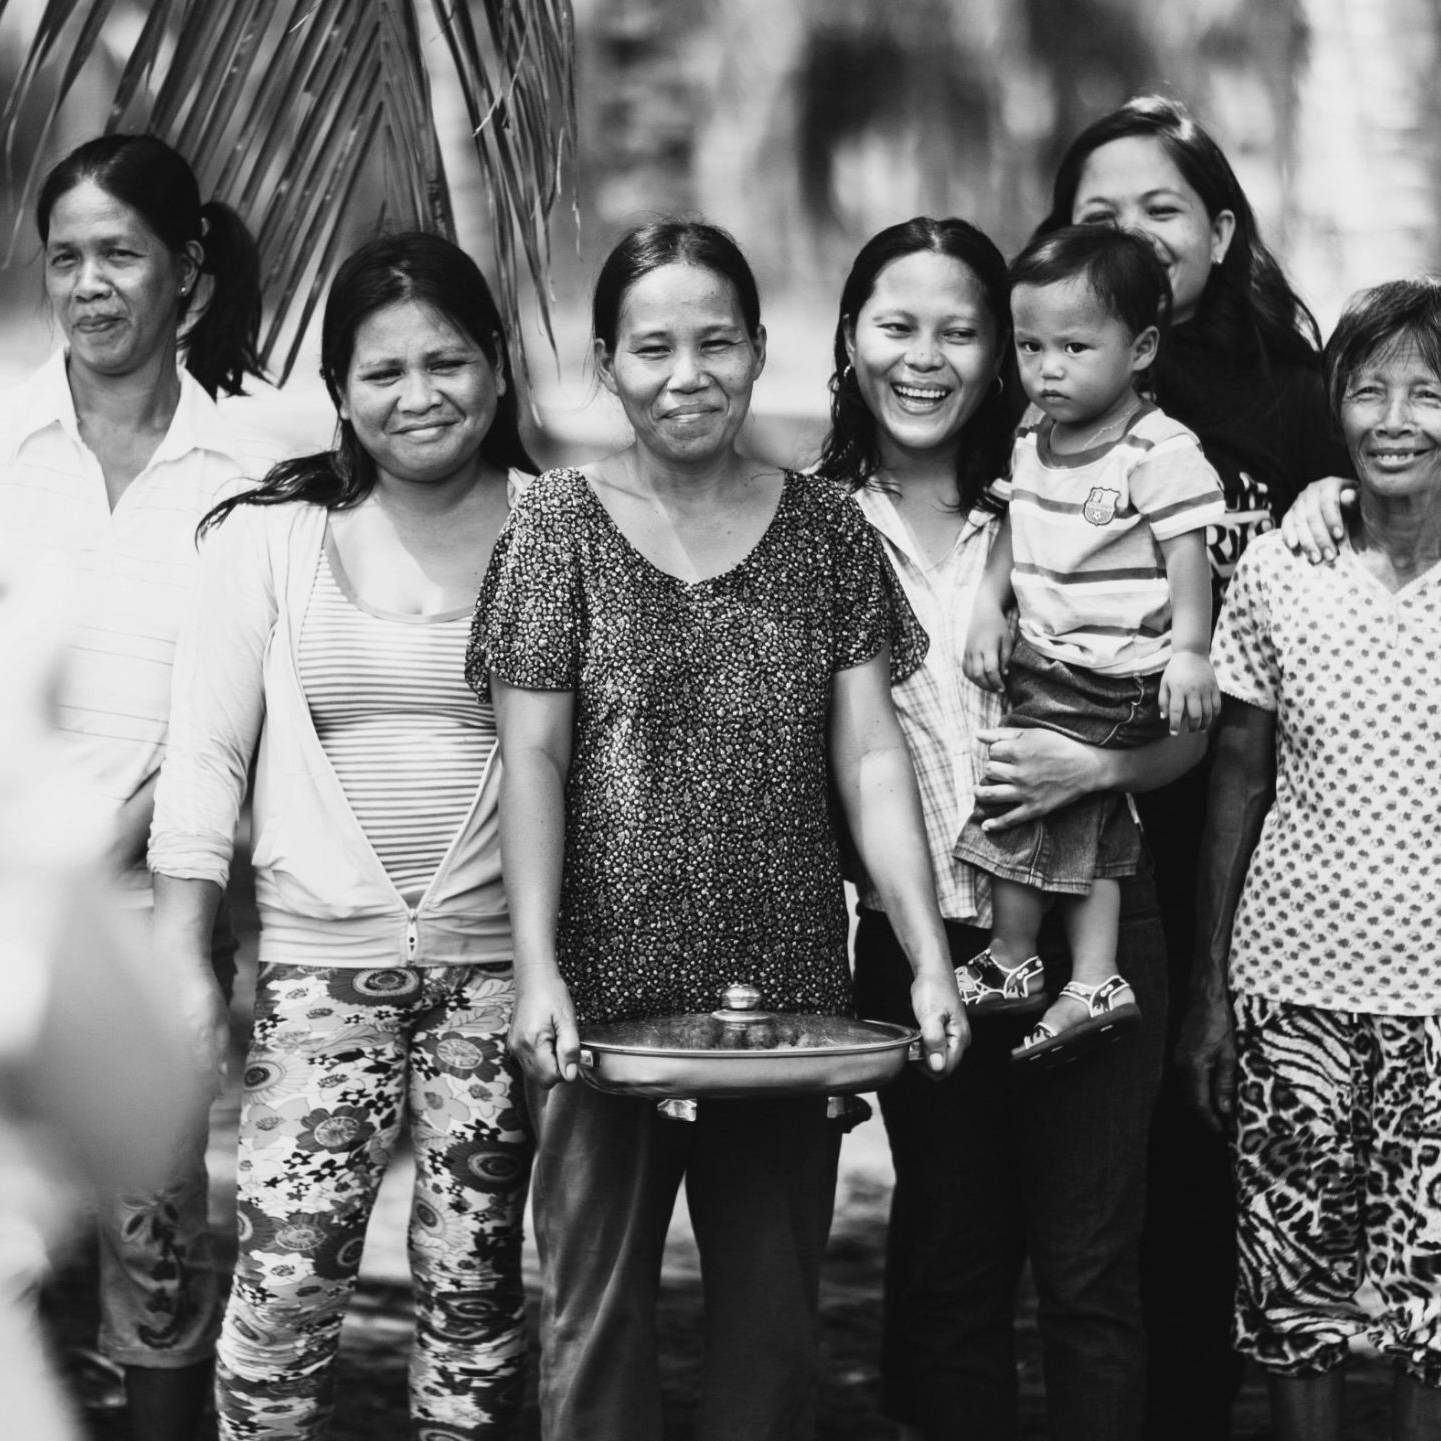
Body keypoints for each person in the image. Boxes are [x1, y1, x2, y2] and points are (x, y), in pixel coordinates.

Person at [467, 218, 966, 1441]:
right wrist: (535, 972)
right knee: (592, 1336)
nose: (685, 374)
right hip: (600, 1001)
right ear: (607, 362)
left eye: (715, 343)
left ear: (758, 351)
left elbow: (868, 754)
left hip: (786, 1005)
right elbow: (530, 754)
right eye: (652, 348)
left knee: (772, 1341)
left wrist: (929, 954)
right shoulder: (556, 529)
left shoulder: (825, 530)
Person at [819, 215, 1204, 1441]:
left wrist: (1092, 763)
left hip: (1095, 920)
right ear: (848, 339)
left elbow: (1190, 731)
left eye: (959, 330)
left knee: (1091, 1276)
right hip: (917, 941)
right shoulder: (811, 526)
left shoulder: (1060, 498)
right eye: (896, 326)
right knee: (946, 1265)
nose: (923, 358)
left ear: (1005, 352)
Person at [148, 232, 537, 1440]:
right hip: (321, 978)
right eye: (384, 372)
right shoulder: (262, 538)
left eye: (449, 361)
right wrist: (184, 962)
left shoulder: (561, 532)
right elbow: (205, 757)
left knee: (476, 1302)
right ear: (340, 394)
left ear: (497, 371)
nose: (420, 395)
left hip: (502, 980)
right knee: (284, 1287)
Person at [1038, 94, 1353, 1438]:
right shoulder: (1044, 381)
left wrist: (1337, 487)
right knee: (1084, 1169)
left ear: (1219, 231)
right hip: (1067, 817)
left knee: (1207, 1149)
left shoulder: (1294, 403)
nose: (1130, 232)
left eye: (1161, 207)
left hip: (1248, 830)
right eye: (1098, 211)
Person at [0, 132, 274, 1441]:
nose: (91, 285)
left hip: (162, 912)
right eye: (67, 258)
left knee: (156, 1256)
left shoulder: (262, 458)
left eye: (120, 254)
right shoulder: (4, 434)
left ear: (189, 274)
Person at [1181, 277, 1441, 1441]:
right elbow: (1235, 774)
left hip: (1436, 997)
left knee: (1434, 1304)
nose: (1396, 417)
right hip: (1289, 985)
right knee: (1292, 1293)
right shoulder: (1283, 570)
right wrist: (1207, 996)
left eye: (1428, 393)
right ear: (1333, 404)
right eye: (1370, 389)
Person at [958, 226, 1223, 1065]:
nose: (1049, 367)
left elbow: (1190, 553)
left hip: (1119, 671)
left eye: (1075, 346)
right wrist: (987, 607)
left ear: (1140, 348)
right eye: (1031, 345)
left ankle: (1012, 957)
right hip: (1052, 656)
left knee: (1016, 785)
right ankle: (1094, 978)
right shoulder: (1032, 438)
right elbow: (1013, 530)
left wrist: (1189, 650)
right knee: (1083, 805)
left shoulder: (1158, 447)